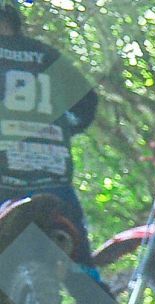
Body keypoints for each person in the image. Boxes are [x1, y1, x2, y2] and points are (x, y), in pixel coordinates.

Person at [0, 0, 99, 266]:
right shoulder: (48, 56)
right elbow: (88, 103)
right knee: (83, 272)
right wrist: (59, 130)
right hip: (55, 180)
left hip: (5, 182)